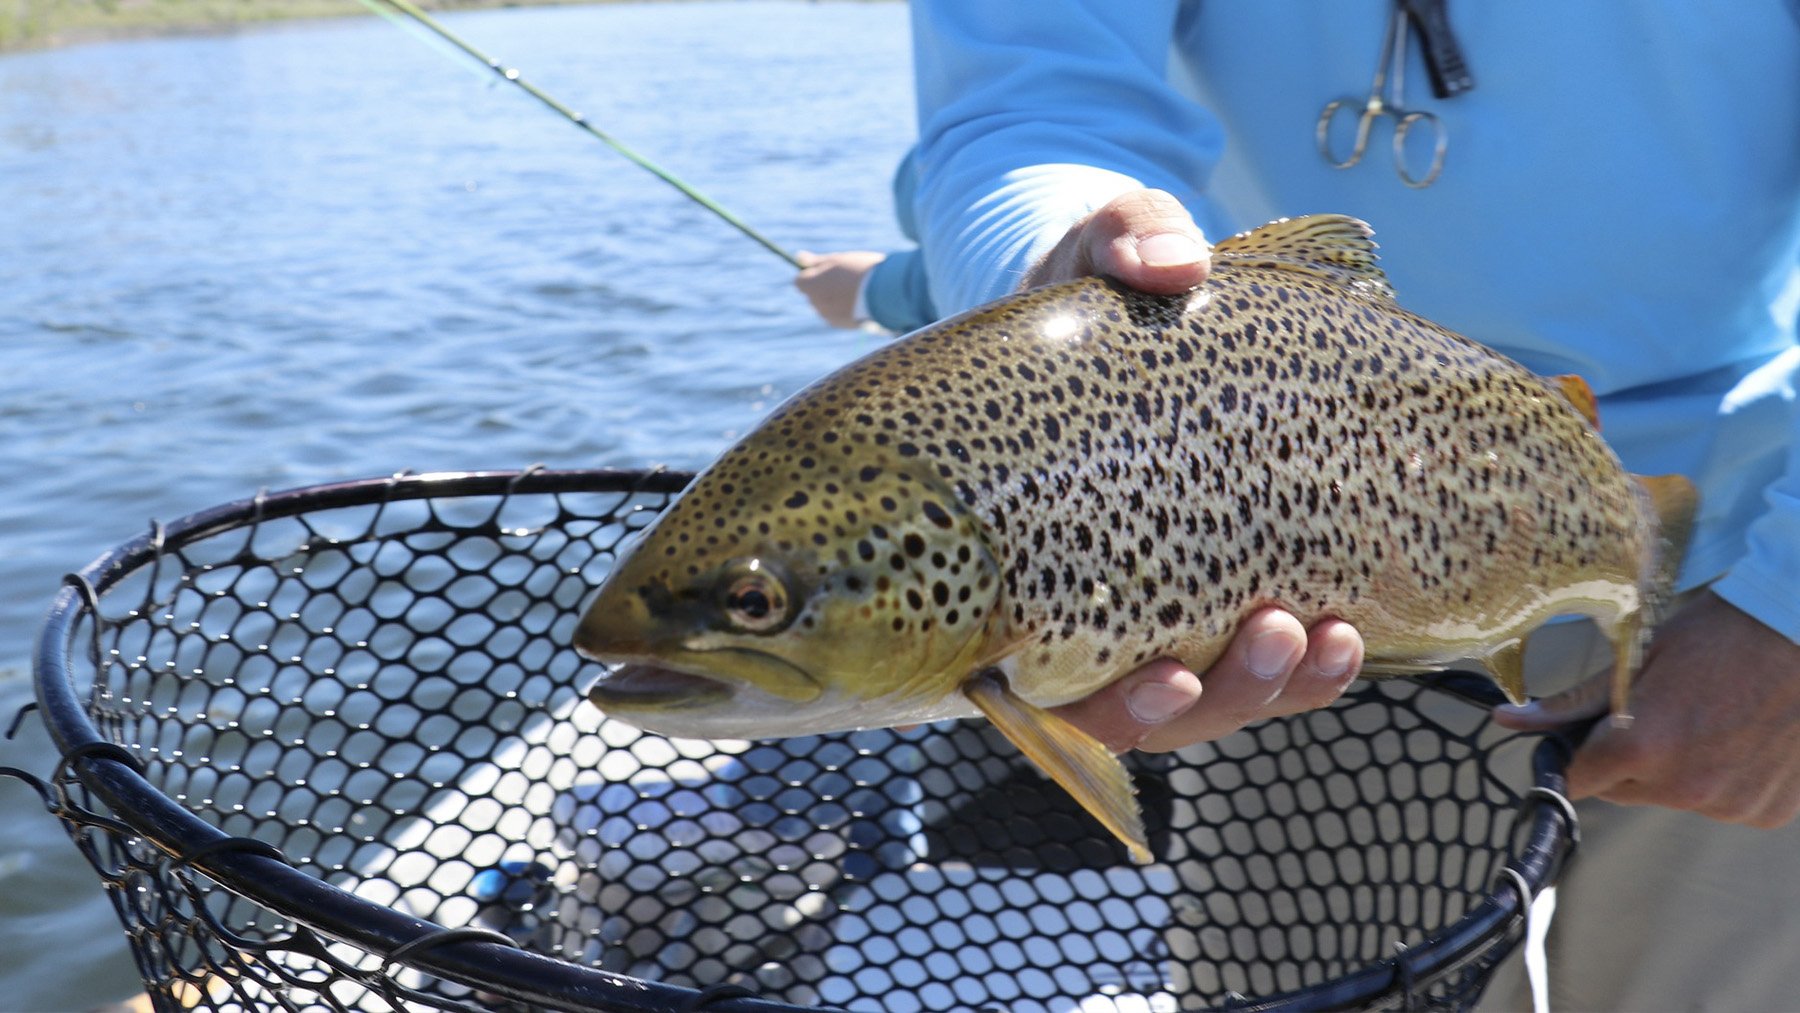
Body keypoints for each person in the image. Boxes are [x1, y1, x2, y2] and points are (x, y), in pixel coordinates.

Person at [904, 3, 1800, 1011]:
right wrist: (1057, 273)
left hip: (1754, 552)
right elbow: (1033, 95)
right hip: (1274, 581)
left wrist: (1789, 606)